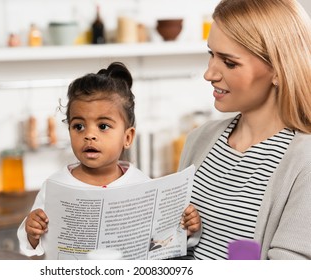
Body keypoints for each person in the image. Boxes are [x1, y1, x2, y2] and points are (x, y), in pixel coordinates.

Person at [17, 62, 201, 259]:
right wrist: (32, 232)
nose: (89, 135)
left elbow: (159, 244)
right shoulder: (55, 186)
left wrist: (186, 228)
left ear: (127, 137)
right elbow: (31, 246)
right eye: (78, 126)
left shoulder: (143, 186)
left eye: (103, 126)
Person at [178, 0, 311, 260]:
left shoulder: (304, 162)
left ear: (278, 69)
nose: (209, 74)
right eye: (211, 55)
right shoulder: (200, 139)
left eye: (229, 63)